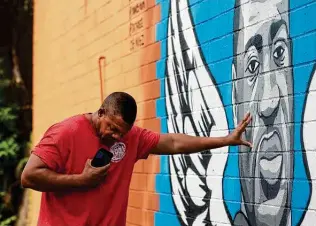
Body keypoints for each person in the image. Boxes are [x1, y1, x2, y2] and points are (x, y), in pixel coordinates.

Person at [21, 91, 252, 226]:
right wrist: (81, 180)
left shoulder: (131, 138)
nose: (116, 136)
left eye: (122, 132)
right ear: (100, 112)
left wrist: (225, 140)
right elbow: (29, 176)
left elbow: (173, 142)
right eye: (111, 128)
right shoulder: (66, 132)